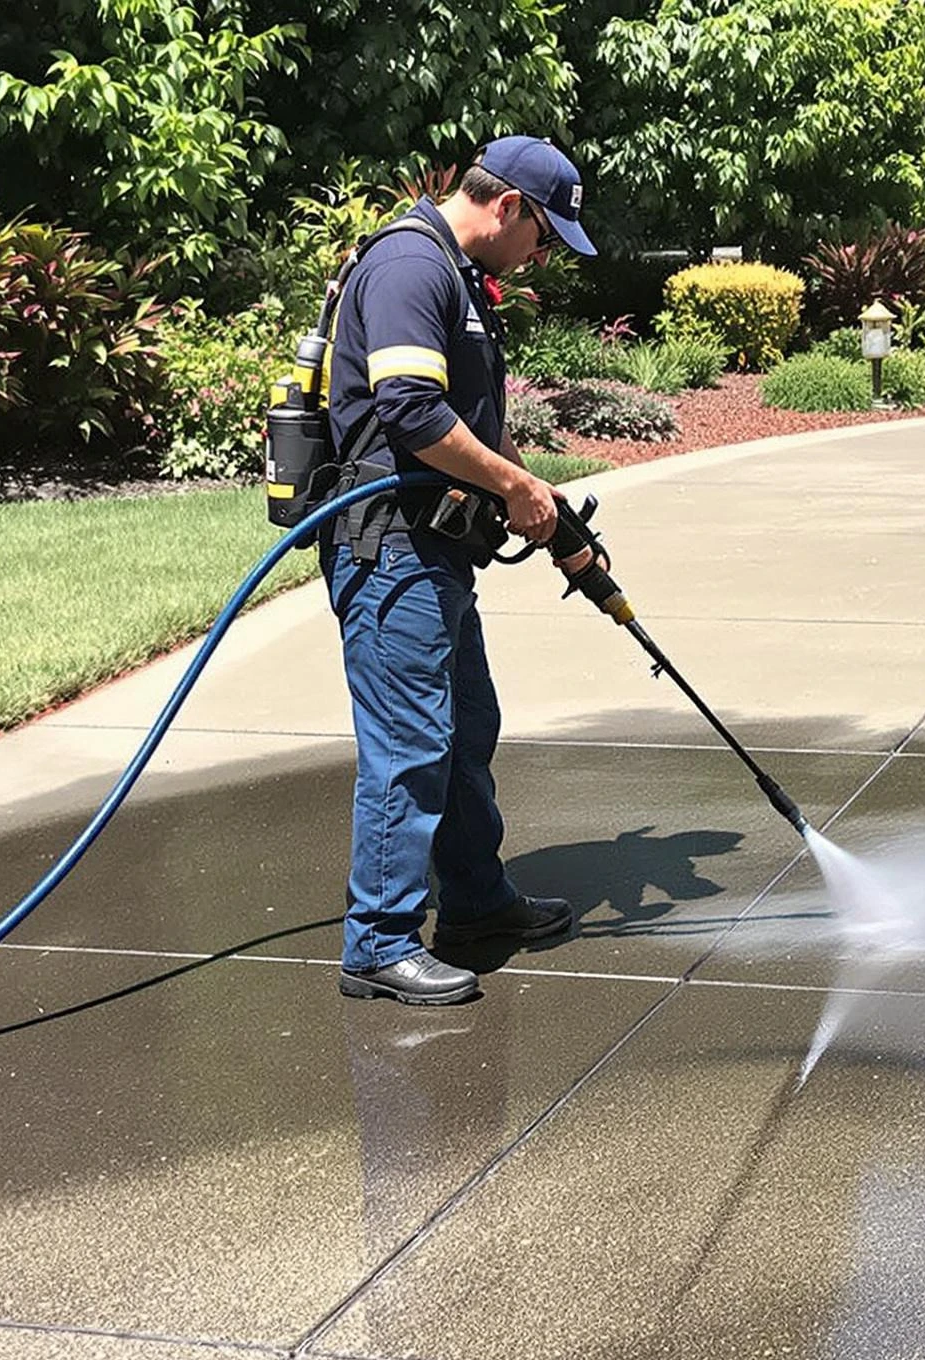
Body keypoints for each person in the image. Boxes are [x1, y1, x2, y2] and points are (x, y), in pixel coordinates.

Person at [318, 137, 599, 1005]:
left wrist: (539, 500)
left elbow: (472, 416)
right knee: (410, 745)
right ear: (509, 206)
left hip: (435, 550)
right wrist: (512, 486)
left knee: (468, 726)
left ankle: (476, 904)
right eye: (543, 237)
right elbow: (409, 411)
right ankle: (378, 942)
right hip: (390, 549)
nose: (540, 256)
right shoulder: (410, 266)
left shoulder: (460, 276)